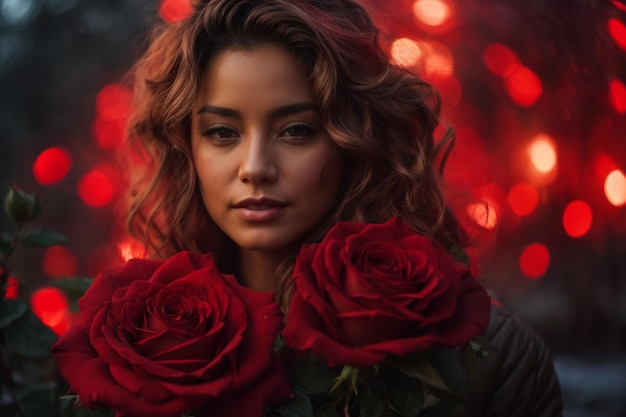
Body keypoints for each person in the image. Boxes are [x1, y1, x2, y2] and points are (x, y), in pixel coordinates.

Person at [116, 0, 563, 415]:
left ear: (356, 140)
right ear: (185, 147)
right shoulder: (131, 343)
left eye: (295, 131)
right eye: (221, 132)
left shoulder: (493, 359)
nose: (255, 168)